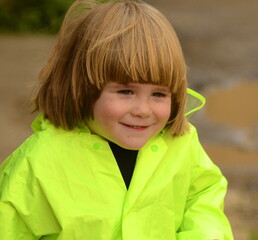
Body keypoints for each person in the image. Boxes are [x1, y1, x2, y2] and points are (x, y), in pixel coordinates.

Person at [0, 0, 233, 239]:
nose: (143, 110)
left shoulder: (182, 145)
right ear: (82, 88)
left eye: (159, 94)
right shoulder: (38, 162)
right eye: (126, 92)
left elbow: (202, 196)